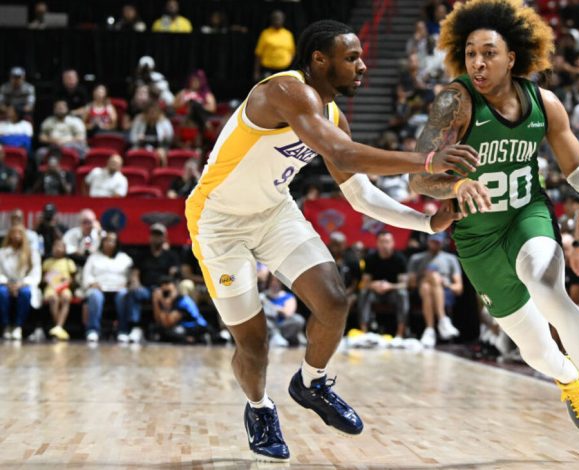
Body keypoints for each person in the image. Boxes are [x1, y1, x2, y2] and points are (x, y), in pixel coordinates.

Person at [184, 19, 477, 462]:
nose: (362, 66)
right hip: (218, 221)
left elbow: (359, 194)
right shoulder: (286, 90)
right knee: (255, 342)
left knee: (335, 300)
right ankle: (259, 408)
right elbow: (341, 154)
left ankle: (311, 382)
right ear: (319, 60)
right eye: (352, 57)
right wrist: (428, 160)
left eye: (361, 57)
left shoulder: (333, 114)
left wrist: (425, 223)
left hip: (273, 211)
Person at [408, 1, 579, 460]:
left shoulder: (545, 103)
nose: (478, 62)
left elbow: (576, 167)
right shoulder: (453, 102)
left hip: (526, 214)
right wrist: (456, 182)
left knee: (546, 286)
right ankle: (565, 377)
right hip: (476, 237)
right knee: (535, 350)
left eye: (489, 53)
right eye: (471, 53)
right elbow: (416, 178)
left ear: (512, 56)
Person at [407, 231, 462, 348]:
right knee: (429, 280)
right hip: (420, 289)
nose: (435, 244)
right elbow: (411, 285)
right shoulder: (416, 258)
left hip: (444, 290)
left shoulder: (451, 258)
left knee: (429, 285)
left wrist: (445, 283)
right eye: (433, 241)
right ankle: (442, 320)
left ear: (443, 242)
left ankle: (430, 330)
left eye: (438, 242)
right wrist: (422, 275)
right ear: (427, 241)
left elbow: (459, 288)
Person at [81, 232, 133, 343]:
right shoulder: (94, 257)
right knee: (94, 296)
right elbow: (86, 274)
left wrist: (127, 284)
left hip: (118, 289)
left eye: (112, 241)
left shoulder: (124, 258)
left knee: (124, 295)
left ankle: (123, 331)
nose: (109, 243)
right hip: (99, 288)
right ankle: (93, 330)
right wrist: (92, 283)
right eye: (106, 240)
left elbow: (131, 276)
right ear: (102, 242)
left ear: (116, 243)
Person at [357, 231, 409, 340]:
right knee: (363, 293)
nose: (384, 245)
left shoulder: (400, 259)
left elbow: (404, 284)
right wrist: (374, 285)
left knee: (402, 294)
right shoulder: (370, 258)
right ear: (377, 243)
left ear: (393, 243)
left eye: (387, 242)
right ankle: (364, 332)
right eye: (381, 242)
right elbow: (365, 283)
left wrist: (390, 286)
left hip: (392, 294)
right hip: (375, 294)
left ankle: (400, 333)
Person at [0, 224, 42, 340]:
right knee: (2, 293)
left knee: (25, 293)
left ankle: (18, 326)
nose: (16, 236)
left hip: (24, 284)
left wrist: (20, 284)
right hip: (6, 283)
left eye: (19, 233)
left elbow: (35, 274)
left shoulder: (31, 253)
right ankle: (6, 325)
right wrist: (7, 283)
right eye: (14, 233)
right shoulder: (2, 253)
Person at [41, 239, 77, 341]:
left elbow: (73, 279)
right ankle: (59, 327)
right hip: (51, 288)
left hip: (64, 288)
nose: (58, 249)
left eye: (61, 247)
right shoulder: (47, 262)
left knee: (66, 297)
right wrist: (48, 278)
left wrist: (68, 280)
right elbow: (43, 278)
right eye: (56, 246)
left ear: (65, 249)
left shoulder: (68, 262)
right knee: (53, 298)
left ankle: (58, 327)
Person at [254, 10, 296, 80]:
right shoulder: (265, 33)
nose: (277, 20)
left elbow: (293, 52)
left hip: (285, 71)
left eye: (280, 18)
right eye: (275, 18)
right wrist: (256, 72)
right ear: (271, 20)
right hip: (268, 71)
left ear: (283, 20)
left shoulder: (288, 34)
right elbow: (258, 53)